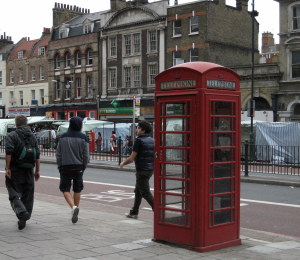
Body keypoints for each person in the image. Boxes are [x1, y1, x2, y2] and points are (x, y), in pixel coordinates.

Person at [5, 115, 40, 230]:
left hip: (15, 169)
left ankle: (21, 212)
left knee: (13, 191)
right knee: (28, 194)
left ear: (16, 124)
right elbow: (37, 155)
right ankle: (25, 216)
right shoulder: (32, 136)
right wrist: (37, 171)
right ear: (26, 123)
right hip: (29, 169)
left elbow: (9, 153)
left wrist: (7, 168)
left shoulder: (12, 135)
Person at [56, 117, 89, 224]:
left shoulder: (62, 137)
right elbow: (86, 156)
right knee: (77, 189)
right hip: (78, 167)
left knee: (65, 189)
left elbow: (58, 154)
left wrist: (60, 165)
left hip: (65, 166)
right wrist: (83, 166)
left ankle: (73, 207)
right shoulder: (84, 137)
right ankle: (76, 209)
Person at [120, 120, 154, 219]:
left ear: (143, 130)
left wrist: (123, 163)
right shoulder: (152, 140)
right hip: (150, 169)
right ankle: (134, 212)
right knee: (138, 191)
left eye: (138, 128)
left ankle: (159, 211)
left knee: (145, 192)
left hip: (142, 170)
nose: (136, 130)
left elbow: (131, 158)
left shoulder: (139, 141)